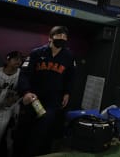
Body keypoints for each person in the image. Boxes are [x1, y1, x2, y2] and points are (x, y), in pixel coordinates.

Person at [15, 26, 76, 156]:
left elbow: (70, 77)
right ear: (50, 38)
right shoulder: (36, 53)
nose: (62, 38)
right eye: (59, 35)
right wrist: (25, 92)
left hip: (53, 101)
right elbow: (24, 74)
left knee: (44, 132)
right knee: (24, 131)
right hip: (33, 98)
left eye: (65, 36)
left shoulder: (68, 56)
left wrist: (67, 92)